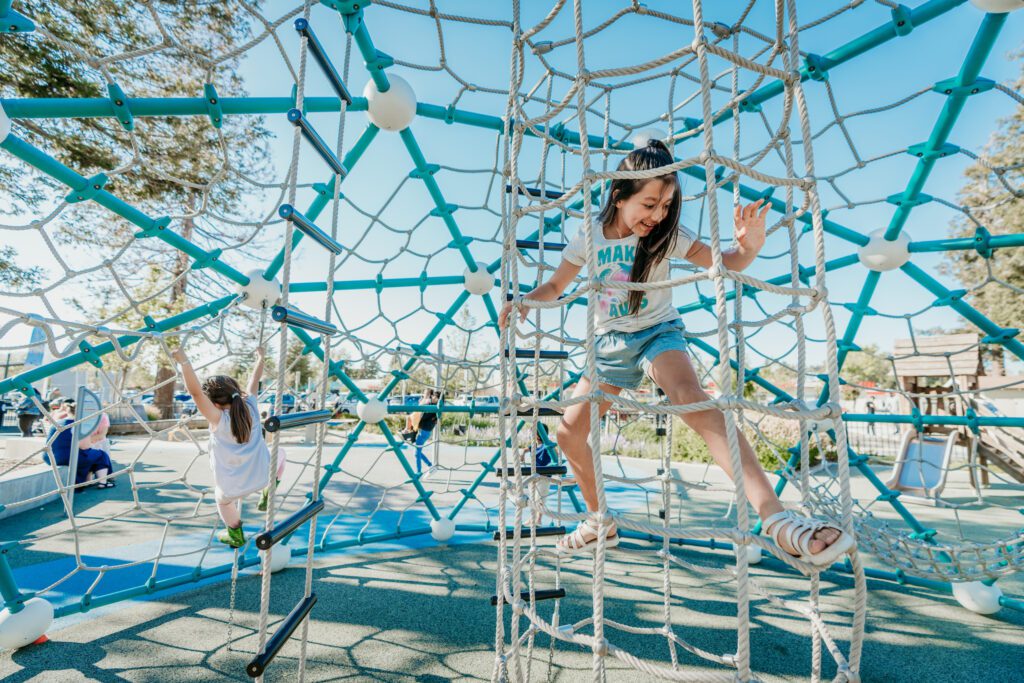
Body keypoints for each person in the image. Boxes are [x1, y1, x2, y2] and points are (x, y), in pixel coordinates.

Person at [498, 139, 854, 566]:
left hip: (656, 333)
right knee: (568, 433)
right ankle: (599, 521)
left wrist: (749, 247)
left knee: (691, 398)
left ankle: (775, 518)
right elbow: (557, 285)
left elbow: (725, 263)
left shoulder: (668, 237)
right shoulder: (588, 235)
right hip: (608, 344)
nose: (658, 215)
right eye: (649, 203)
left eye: (666, 205)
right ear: (619, 196)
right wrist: (526, 300)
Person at [172, 346, 285, 548]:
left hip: (232, 487)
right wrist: (261, 358)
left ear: (213, 403)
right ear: (235, 392)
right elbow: (254, 381)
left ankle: (235, 533)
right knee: (280, 453)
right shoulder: (250, 405)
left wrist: (184, 362)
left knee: (222, 502)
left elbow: (196, 393)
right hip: (262, 476)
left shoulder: (217, 418)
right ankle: (270, 489)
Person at [43, 398, 114, 488]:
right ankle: (102, 482)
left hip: (50, 457)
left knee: (90, 455)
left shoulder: (57, 423)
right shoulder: (80, 425)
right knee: (100, 455)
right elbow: (85, 446)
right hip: (67, 457)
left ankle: (88, 481)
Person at [405, 390, 438, 474]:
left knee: (416, 453)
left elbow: (422, 416)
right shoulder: (428, 403)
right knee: (417, 452)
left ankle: (419, 472)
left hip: (424, 431)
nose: (424, 395)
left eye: (426, 393)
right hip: (424, 430)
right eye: (424, 393)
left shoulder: (430, 404)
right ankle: (430, 466)